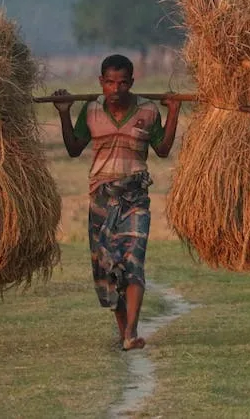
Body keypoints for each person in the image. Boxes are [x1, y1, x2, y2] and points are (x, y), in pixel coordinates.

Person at [52, 54, 181, 351]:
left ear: (132, 83)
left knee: (133, 261)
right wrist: (63, 112)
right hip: (101, 197)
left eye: (123, 83)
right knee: (108, 269)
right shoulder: (92, 110)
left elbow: (162, 149)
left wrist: (173, 111)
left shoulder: (148, 110)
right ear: (101, 82)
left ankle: (132, 331)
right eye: (110, 82)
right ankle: (124, 332)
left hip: (135, 196)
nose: (116, 89)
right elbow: (74, 148)